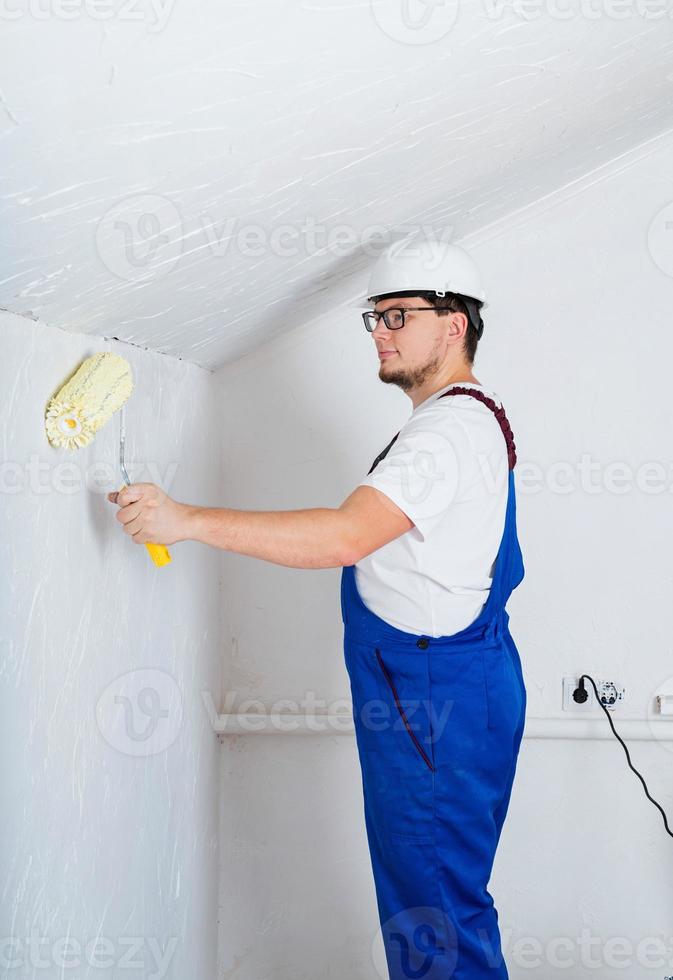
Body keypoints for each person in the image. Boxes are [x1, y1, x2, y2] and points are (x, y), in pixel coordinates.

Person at [108, 237, 527, 980]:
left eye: (397, 316)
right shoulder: (470, 417)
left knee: (431, 917)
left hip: (434, 704)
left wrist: (186, 520)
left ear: (454, 324)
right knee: (444, 903)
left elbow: (344, 536)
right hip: (457, 689)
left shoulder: (445, 435)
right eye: (373, 318)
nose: (380, 334)